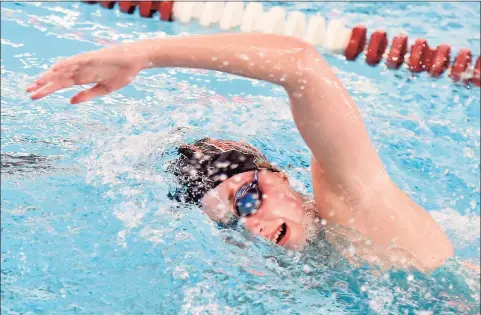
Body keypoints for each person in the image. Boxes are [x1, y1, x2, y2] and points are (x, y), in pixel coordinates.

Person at [26, 33, 454, 272]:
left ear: (280, 177)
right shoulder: (299, 272)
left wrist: (145, 53)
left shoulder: (355, 206)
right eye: (231, 224)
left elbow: (302, 67)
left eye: (246, 199)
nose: (252, 228)